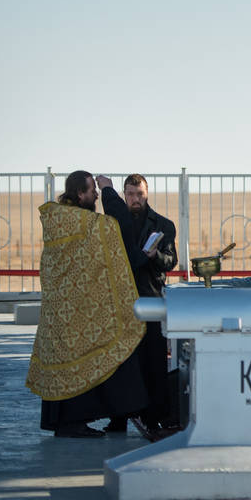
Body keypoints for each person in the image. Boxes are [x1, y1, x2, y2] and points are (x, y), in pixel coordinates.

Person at [26, 170, 149, 437]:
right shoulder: (86, 222)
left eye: (97, 190)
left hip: (60, 310)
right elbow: (119, 225)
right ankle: (72, 423)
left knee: (70, 360)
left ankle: (67, 422)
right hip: (76, 309)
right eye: (92, 190)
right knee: (100, 347)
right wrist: (109, 191)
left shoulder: (58, 218)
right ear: (80, 194)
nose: (95, 194)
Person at [96, 173, 177, 438]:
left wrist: (156, 256)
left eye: (139, 194)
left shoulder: (164, 224)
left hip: (150, 299)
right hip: (120, 301)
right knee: (121, 361)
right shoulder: (113, 224)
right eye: (130, 194)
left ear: (147, 193)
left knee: (153, 360)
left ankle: (154, 418)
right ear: (124, 194)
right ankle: (118, 419)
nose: (135, 199)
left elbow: (170, 263)